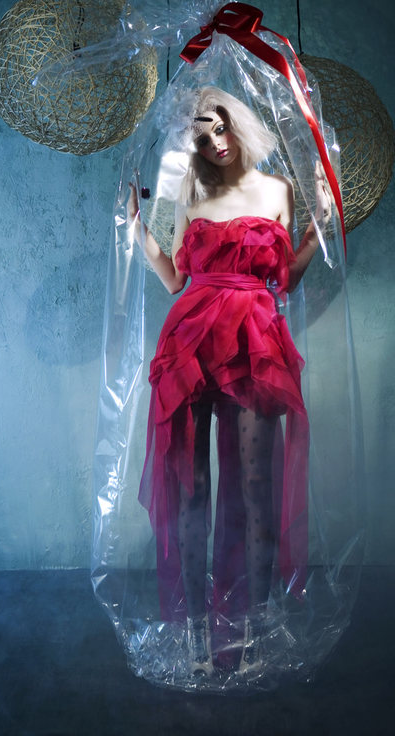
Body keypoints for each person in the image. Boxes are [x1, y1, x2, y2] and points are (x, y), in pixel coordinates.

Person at [128, 87, 332, 676]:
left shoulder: (277, 191)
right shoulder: (187, 196)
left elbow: (284, 278)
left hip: (253, 343)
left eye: (220, 128)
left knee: (255, 485)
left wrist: (317, 228)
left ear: (237, 123)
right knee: (190, 489)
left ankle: (254, 629)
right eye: (201, 138)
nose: (215, 143)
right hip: (191, 342)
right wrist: (138, 228)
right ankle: (195, 630)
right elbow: (174, 280)